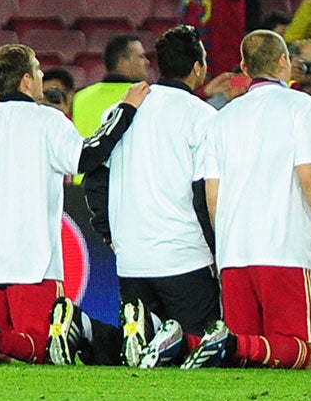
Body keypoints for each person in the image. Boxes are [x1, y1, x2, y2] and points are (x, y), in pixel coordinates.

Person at [0, 43, 143, 366]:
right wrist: (125, 110)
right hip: (33, 262)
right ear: (26, 80)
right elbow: (87, 156)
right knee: (41, 348)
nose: (41, 76)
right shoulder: (48, 122)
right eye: (38, 70)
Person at [183, 30, 311, 371]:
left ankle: (191, 343)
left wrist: (225, 245)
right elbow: (309, 175)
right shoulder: (303, 107)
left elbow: (212, 195)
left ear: (244, 68)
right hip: (282, 248)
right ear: (283, 61)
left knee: (250, 357)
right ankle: (219, 342)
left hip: (234, 252)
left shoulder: (221, 118)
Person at [76, 25, 223, 368]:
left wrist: (109, 234)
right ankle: (99, 334)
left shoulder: (120, 110)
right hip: (185, 258)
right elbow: (204, 193)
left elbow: (94, 178)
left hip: (132, 260)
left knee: (141, 354)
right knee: (200, 351)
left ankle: (86, 332)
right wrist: (217, 250)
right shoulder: (204, 117)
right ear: (198, 67)